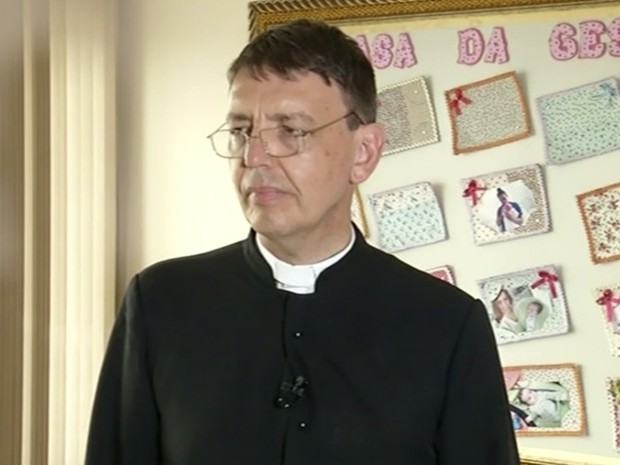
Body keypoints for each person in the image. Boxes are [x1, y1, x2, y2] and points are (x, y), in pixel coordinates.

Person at [84, 19, 519, 465]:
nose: (254, 157)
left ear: (364, 153)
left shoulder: (447, 325)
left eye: (291, 131)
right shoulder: (162, 301)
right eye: (240, 131)